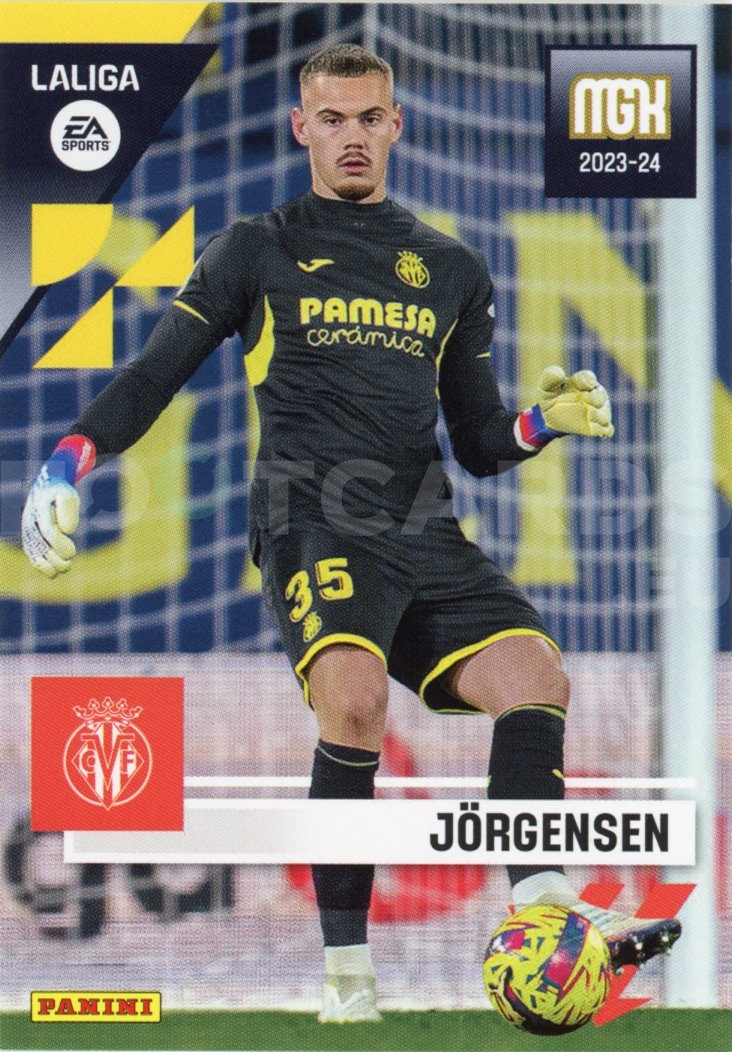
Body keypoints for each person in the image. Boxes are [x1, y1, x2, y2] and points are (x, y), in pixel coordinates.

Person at [22, 44, 680, 1023]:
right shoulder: (255, 249)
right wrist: (70, 458)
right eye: (332, 119)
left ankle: (545, 909)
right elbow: (155, 372)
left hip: (424, 529)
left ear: (396, 125)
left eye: (370, 117)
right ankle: (347, 974)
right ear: (302, 129)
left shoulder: (450, 269)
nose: (353, 137)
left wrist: (541, 424)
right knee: (356, 698)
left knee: (536, 672)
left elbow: (478, 441)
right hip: (311, 522)